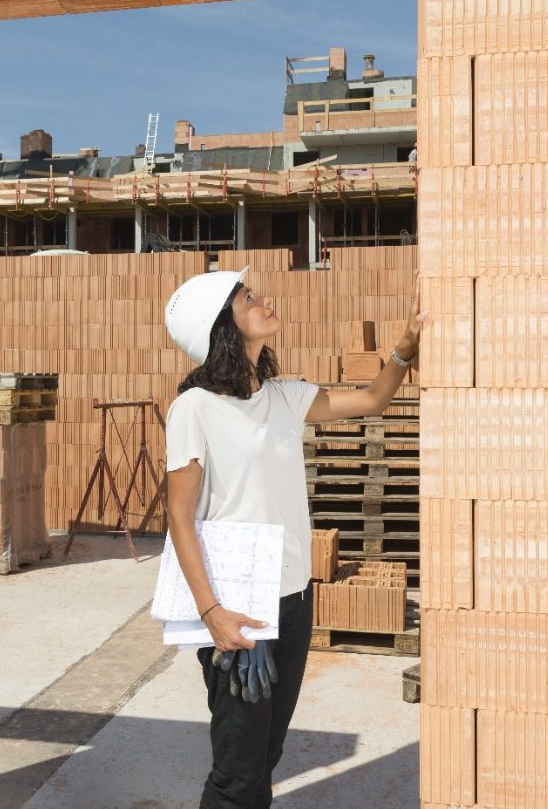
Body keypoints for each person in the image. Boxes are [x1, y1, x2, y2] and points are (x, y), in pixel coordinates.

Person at [163, 264, 426, 808]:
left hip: (294, 601)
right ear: (223, 328)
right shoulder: (194, 409)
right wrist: (213, 616)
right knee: (236, 773)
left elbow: (372, 401)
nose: (264, 301)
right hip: (238, 611)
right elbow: (179, 517)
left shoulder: (284, 398)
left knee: (265, 758)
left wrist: (406, 343)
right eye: (248, 299)